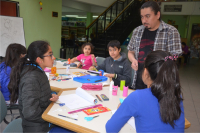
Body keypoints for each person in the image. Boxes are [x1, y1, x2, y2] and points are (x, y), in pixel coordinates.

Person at [106, 50, 185, 132]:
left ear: (146, 72)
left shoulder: (137, 97)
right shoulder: (176, 95)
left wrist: (122, 109)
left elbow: (110, 128)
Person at [127, 1, 182, 90]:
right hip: (138, 80)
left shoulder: (171, 31)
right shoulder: (137, 31)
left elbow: (175, 56)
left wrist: (158, 64)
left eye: (148, 16)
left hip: (160, 82)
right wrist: (133, 60)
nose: (144, 20)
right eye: (142, 17)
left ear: (158, 15)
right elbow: (130, 52)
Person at [8, 41, 60, 132]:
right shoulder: (31, 77)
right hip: (38, 128)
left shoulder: (37, 70)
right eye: (50, 55)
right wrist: (52, 117)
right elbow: (30, 113)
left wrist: (50, 95)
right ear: (39, 59)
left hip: (42, 122)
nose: (54, 58)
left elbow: (38, 92)